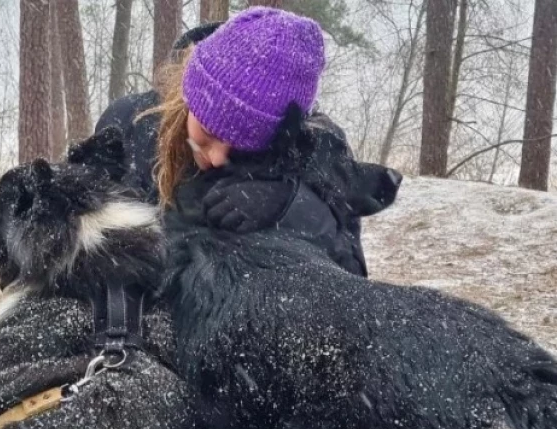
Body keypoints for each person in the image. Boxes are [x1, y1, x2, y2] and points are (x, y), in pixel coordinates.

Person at [82, 10, 401, 277]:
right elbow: (80, 236)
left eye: (241, 146)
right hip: (138, 327)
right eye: (210, 134)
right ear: (193, 95)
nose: (218, 157)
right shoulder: (129, 124)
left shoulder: (319, 147)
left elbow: (350, 273)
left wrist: (290, 205)